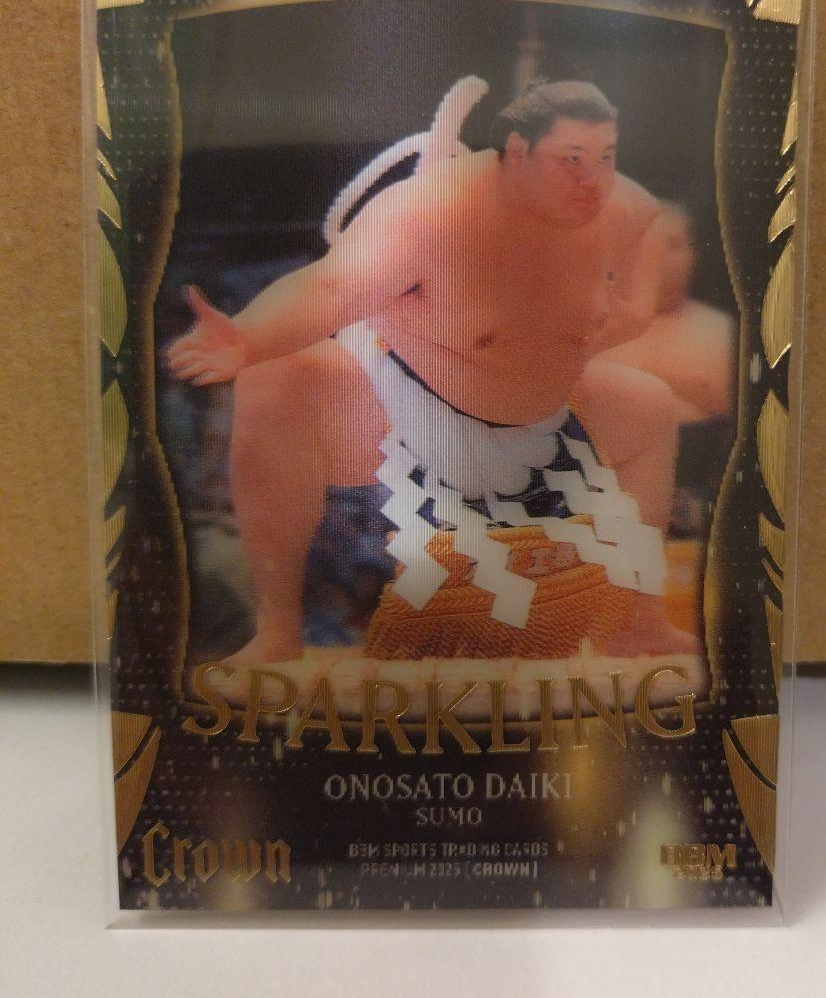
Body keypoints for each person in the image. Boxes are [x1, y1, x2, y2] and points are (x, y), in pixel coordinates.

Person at [168, 80, 695, 664]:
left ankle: (637, 623)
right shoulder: (428, 210)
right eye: (571, 160)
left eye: (604, 157)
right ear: (517, 152)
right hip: (408, 405)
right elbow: (333, 288)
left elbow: (645, 259)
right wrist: (248, 337)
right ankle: (277, 630)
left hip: (550, 418)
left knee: (647, 402)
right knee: (273, 378)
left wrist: (596, 324)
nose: (590, 179)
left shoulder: (623, 209)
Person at [600, 202, 734, 424]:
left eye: (672, 244)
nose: (660, 255)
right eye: (648, 242)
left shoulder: (726, 332)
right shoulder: (590, 328)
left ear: (692, 255)